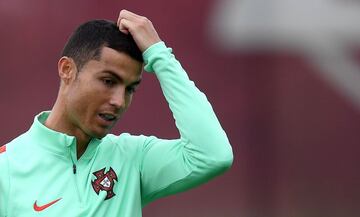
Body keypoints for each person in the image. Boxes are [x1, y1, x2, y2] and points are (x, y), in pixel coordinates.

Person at [0, 9, 233, 217]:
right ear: (67, 70)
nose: (119, 101)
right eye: (108, 81)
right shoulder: (6, 168)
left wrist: (160, 56)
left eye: (130, 89)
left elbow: (212, 155)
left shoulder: (133, 158)